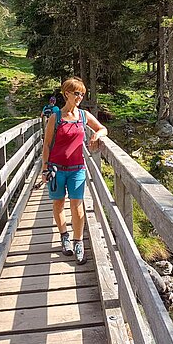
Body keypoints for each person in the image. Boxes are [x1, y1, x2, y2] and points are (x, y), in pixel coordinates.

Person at [41, 77, 107, 265]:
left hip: (77, 168)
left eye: (82, 94)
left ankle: (79, 243)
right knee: (58, 204)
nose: (80, 97)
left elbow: (103, 128)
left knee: (77, 207)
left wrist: (96, 134)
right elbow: (46, 145)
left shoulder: (84, 116)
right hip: (56, 169)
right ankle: (64, 237)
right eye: (76, 93)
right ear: (67, 93)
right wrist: (44, 168)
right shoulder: (56, 117)